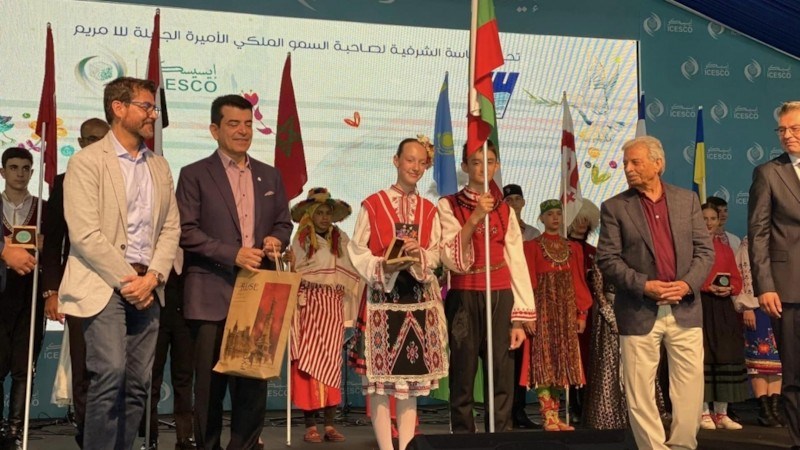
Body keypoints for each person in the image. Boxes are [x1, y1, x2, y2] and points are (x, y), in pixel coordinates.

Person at [59, 76, 180, 450]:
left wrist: (153, 277)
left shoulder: (159, 166)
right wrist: (131, 281)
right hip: (106, 284)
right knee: (110, 373)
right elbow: (85, 234)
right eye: (146, 106)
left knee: (138, 384)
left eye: (154, 107)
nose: (153, 114)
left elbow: (171, 227)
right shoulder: (86, 162)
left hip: (148, 287)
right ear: (118, 108)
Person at [176, 94, 292, 450]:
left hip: (258, 297)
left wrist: (275, 239)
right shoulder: (194, 174)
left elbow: (284, 224)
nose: (243, 131)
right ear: (215, 130)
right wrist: (233, 254)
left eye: (247, 124)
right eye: (233, 124)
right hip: (211, 295)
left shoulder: (269, 174)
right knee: (209, 390)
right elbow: (186, 231)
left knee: (253, 388)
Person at [596, 135, 713, 450]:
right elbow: (607, 259)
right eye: (625, 163)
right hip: (638, 310)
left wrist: (686, 284)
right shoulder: (614, 207)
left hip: (685, 309)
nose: (628, 169)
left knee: (689, 388)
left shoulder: (687, 200)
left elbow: (705, 252)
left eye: (635, 162)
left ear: (658, 164)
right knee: (639, 391)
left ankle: (683, 446)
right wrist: (644, 285)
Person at [347, 136, 448, 450]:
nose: (415, 167)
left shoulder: (430, 211)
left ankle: (405, 446)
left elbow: (436, 254)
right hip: (382, 300)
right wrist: (384, 266)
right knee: (379, 385)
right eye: (409, 160)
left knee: (409, 384)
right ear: (396, 161)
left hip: (416, 300)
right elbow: (357, 250)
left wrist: (420, 256)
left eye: (421, 162)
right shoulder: (373, 204)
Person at [439, 141, 535, 433]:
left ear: (497, 166)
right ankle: (464, 438)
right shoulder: (448, 205)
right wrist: (476, 216)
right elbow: (451, 257)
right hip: (464, 295)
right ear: (465, 166)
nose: (483, 167)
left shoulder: (505, 210)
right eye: (476, 162)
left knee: (501, 376)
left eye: (489, 161)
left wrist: (518, 319)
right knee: (463, 375)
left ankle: (499, 437)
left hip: (500, 297)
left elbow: (516, 259)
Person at [41, 117, 110, 448]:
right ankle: (87, 436)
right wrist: (52, 291)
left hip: (119, 287)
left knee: (115, 370)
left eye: (102, 138)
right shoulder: (65, 181)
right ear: (81, 143)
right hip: (79, 286)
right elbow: (53, 241)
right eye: (90, 139)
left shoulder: (125, 177)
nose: (96, 144)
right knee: (83, 368)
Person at [288, 187, 360, 444]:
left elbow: (353, 267)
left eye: (328, 212)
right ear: (310, 214)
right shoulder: (301, 240)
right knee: (307, 364)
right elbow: (296, 270)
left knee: (330, 364)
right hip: (308, 305)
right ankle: (310, 425)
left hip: (332, 305)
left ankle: (329, 424)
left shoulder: (341, 239)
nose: (325, 217)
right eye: (319, 212)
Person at [748, 100, 800, 450]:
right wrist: (765, 286)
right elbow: (758, 233)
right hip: (789, 288)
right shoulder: (769, 173)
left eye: (794, 128)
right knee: (794, 373)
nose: (787, 135)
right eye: (782, 129)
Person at [520, 199, 592, 431]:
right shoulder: (531, 247)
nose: (554, 218)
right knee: (544, 362)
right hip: (543, 312)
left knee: (562, 362)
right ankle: (547, 415)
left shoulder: (574, 248)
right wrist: (528, 315)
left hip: (566, 312)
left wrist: (581, 313)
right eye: (549, 214)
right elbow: (528, 283)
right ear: (541, 218)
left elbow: (578, 282)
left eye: (558, 214)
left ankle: (557, 414)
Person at [0, 147, 47, 448]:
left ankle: (14, 431)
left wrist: (45, 244)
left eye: (25, 168)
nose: (19, 173)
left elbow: (57, 251)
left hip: (30, 296)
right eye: (13, 167)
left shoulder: (44, 208)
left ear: (32, 172)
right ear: (2, 171)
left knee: (23, 365)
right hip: (1, 294)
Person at [697, 203, 746, 430]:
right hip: (700, 306)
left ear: (719, 221)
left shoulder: (725, 249)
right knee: (703, 356)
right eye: (704, 218)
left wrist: (730, 288)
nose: (708, 223)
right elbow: (687, 276)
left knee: (725, 355)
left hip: (723, 308)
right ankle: (703, 412)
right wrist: (707, 286)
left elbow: (736, 278)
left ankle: (721, 413)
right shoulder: (692, 247)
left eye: (712, 219)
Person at [137, 261, 195, 450]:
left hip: (185, 316)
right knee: (151, 379)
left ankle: (185, 436)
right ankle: (149, 437)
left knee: (184, 378)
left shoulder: (189, 247)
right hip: (154, 314)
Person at [734, 237, 784, 428]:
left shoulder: (782, 239)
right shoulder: (749, 244)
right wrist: (746, 307)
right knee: (759, 358)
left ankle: (775, 407)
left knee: (777, 360)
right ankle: (763, 408)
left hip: (780, 306)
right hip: (756, 307)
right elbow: (740, 275)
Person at [501, 183, 539, 429]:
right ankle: (503, 412)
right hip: (504, 296)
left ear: (524, 202)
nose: (514, 204)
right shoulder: (498, 231)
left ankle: (519, 410)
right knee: (505, 358)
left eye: (517, 199)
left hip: (527, 300)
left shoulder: (533, 234)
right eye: (508, 200)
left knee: (523, 360)